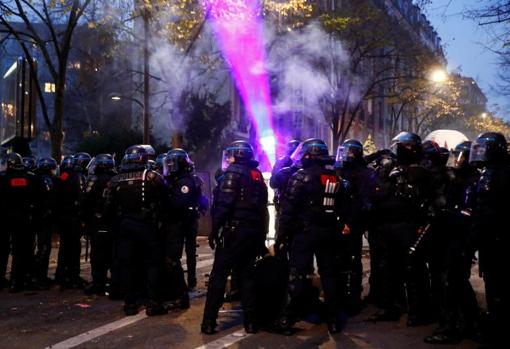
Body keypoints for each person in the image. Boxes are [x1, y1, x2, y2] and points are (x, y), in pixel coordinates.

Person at [274, 138, 345, 334]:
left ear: (307, 155)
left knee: (297, 275)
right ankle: (334, 320)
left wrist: (282, 236)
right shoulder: (334, 178)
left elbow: (288, 210)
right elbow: (342, 207)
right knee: (330, 275)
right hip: (329, 233)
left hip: (305, 234)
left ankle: (288, 318)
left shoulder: (299, 177)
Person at [201, 141, 268, 335]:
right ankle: (251, 322)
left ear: (237, 156)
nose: (228, 159)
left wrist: (215, 229)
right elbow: (262, 208)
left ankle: (209, 322)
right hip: (252, 232)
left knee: (219, 276)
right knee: (247, 277)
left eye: (230, 155)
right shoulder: (257, 176)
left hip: (233, 232)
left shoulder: (233, 173)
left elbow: (224, 204)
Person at [369, 132, 436, 326]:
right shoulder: (391, 167)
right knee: (389, 269)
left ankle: (419, 311)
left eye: (402, 146)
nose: (398, 149)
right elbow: (378, 191)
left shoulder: (424, 169)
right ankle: (391, 307)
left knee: (414, 270)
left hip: (410, 225)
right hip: (388, 225)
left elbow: (428, 197)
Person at [424, 141, 481, 344]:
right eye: (457, 156)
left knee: (453, 281)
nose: (458, 161)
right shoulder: (457, 178)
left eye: (462, 156)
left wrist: (449, 213)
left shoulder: (474, 180)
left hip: (462, 239)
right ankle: (470, 322)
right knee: (456, 281)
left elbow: (468, 212)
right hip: (454, 237)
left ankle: (453, 326)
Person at [106, 145, 168, 316]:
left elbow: (108, 206)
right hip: (147, 225)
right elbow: (165, 200)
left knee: (128, 265)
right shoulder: (152, 177)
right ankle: (153, 303)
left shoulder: (116, 180)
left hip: (125, 226)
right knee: (153, 264)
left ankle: (130, 304)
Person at [468, 132, 510, 348]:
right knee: (493, 285)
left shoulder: (504, 173)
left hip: (500, 241)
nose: (480, 153)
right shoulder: (488, 172)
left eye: (484, 148)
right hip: (489, 241)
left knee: (500, 287)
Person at [335, 139, 376, 315]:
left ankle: (353, 298)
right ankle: (341, 295)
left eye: (349, 152)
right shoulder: (341, 171)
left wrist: (350, 223)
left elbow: (361, 201)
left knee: (352, 260)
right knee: (339, 260)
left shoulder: (364, 174)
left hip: (352, 223)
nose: (345, 155)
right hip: (338, 222)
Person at [0, 153, 39, 292]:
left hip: (5, 219)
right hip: (24, 219)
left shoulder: (3, 179)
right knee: (21, 250)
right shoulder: (30, 178)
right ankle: (19, 280)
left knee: (3, 250)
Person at [82, 154, 117, 296]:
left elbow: (85, 200)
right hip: (113, 224)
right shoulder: (116, 180)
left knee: (97, 255)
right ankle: (115, 283)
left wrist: (86, 221)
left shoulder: (94, 180)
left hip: (97, 223)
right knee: (113, 255)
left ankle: (98, 283)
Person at [55, 154, 89, 288]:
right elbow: (82, 196)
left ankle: (61, 275)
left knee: (64, 248)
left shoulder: (61, 177)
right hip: (74, 218)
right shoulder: (78, 177)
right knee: (74, 248)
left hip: (63, 218)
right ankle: (73, 277)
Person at [32, 157, 59, 289]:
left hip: (35, 218)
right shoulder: (47, 180)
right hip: (44, 219)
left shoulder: (34, 178)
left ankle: (36, 276)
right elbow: (50, 199)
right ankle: (39, 278)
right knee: (44, 248)